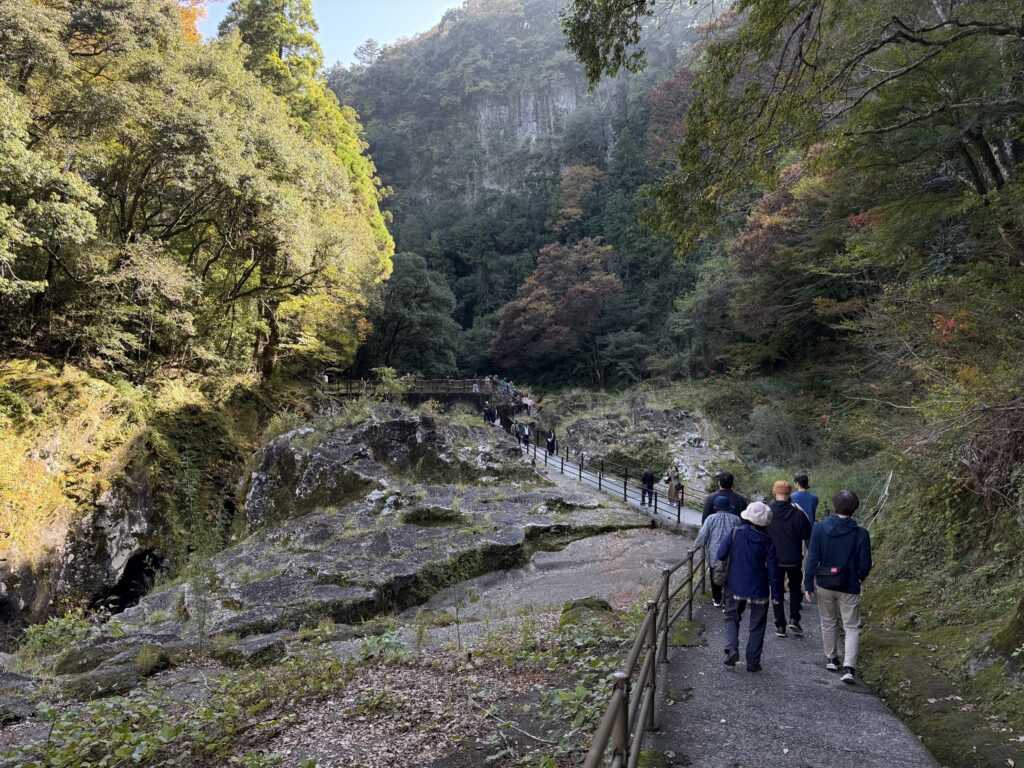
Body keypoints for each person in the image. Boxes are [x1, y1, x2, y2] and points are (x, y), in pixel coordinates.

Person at [804, 490, 872, 685]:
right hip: (849, 584)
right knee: (851, 627)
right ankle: (849, 667)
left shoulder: (819, 528)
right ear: (855, 508)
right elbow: (866, 564)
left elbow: (812, 558)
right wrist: (859, 576)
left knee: (828, 622)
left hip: (824, 582)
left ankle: (832, 658)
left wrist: (808, 583)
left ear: (834, 506)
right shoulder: (861, 534)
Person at [717, 501, 782, 672]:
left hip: (735, 584)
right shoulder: (767, 540)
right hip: (759, 587)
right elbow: (774, 569)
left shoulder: (734, 533)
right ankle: (753, 662)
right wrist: (776, 595)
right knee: (757, 624)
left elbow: (721, 554)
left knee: (731, 616)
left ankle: (732, 649)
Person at [767, 480, 813, 637]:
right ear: (789, 494)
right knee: (794, 588)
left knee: (776, 589)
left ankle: (780, 625)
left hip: (774, 559)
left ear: (774, 493)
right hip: (794, 558)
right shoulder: (798, 514)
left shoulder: (768, 513)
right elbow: (807, 534)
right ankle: (794, 618)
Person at [693, 495, 741, 607]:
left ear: (716, 508)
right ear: (729, 507)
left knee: (714, 575)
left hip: (714, 554)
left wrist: (696, 546)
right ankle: (727, 601)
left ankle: (717, 599)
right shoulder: (736, 519)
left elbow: (703, 535)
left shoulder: (710, 518)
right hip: (731, 554)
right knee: (730, 576)